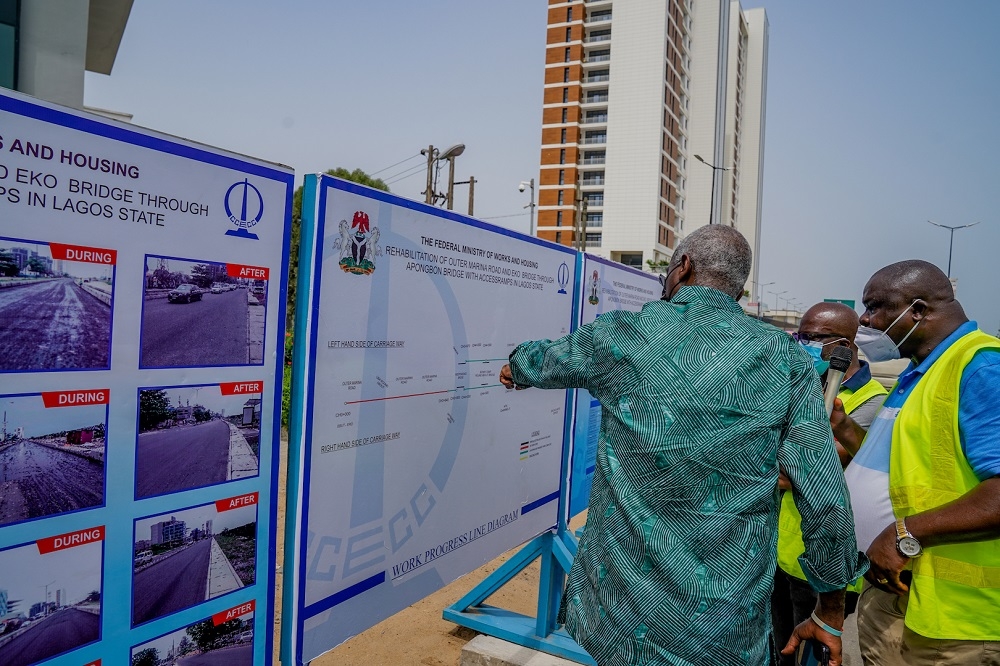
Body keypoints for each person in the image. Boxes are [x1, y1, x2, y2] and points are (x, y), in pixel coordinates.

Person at [499, 225, 867, 665]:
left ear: (683, 267)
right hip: (725, 625)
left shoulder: (626, 334)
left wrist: (515, 370)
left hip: (623, 615)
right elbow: (823, 493)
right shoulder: (782, 356)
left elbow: (537, 360)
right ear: (739, 287)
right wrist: (829, 611)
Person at [830, 260, 1000, 665]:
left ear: (918, 310)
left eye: (874, 307)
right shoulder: (920, 373)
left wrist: (904, 534)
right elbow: (903, 465)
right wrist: (846, 428)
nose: (865, 320)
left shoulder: (981, 368)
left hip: (956, 622)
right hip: (897, 600)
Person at [771, 302, 888, 665]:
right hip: (783, 553)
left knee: (814, 653)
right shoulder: (805, 388)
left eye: (814, 337)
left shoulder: (872, 403)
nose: (803, 344)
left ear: (846, 346)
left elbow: (804, 469)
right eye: (799, 335)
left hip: (827, 560)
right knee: (780, 648)